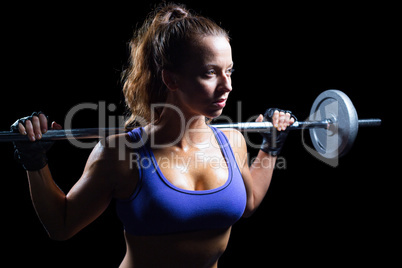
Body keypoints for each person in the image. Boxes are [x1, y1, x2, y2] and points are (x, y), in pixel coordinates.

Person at [11, 3, 295, 267]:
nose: (227, 86)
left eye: (229, 71)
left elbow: (249, 201)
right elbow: (61, 226)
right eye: (210, 73)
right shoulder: (120, 153)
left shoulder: (232, 141)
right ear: (170, 79)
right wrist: (34, 161)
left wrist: (271, 147)